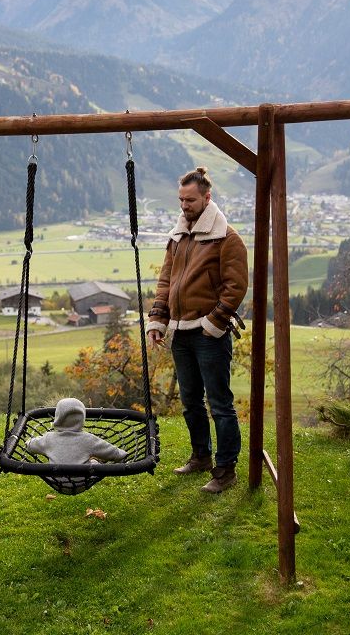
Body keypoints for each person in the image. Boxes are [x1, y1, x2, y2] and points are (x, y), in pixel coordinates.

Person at [146, 167, 248, 493]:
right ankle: (201, 457)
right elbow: (166, 282)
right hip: (179, 332)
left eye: (190, 200)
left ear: (207, 197)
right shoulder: (177, 237)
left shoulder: (227, 238)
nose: (184, 206)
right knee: (190, 401)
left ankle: (226, 470)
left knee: (220, 404)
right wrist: (158, 320)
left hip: (208, 334)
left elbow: (236, 286)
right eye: (180, 199)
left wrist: (213, 323)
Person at [25, 397, 129, 465]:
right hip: (82, 478)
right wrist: (120, 454)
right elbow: (108, 450)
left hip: (57, 479)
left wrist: (28, 443)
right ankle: (97, 461)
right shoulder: (88, 439)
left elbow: (32, 446)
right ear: (82, 418)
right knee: (94, 463)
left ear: (58, 417)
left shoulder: (48, 439)